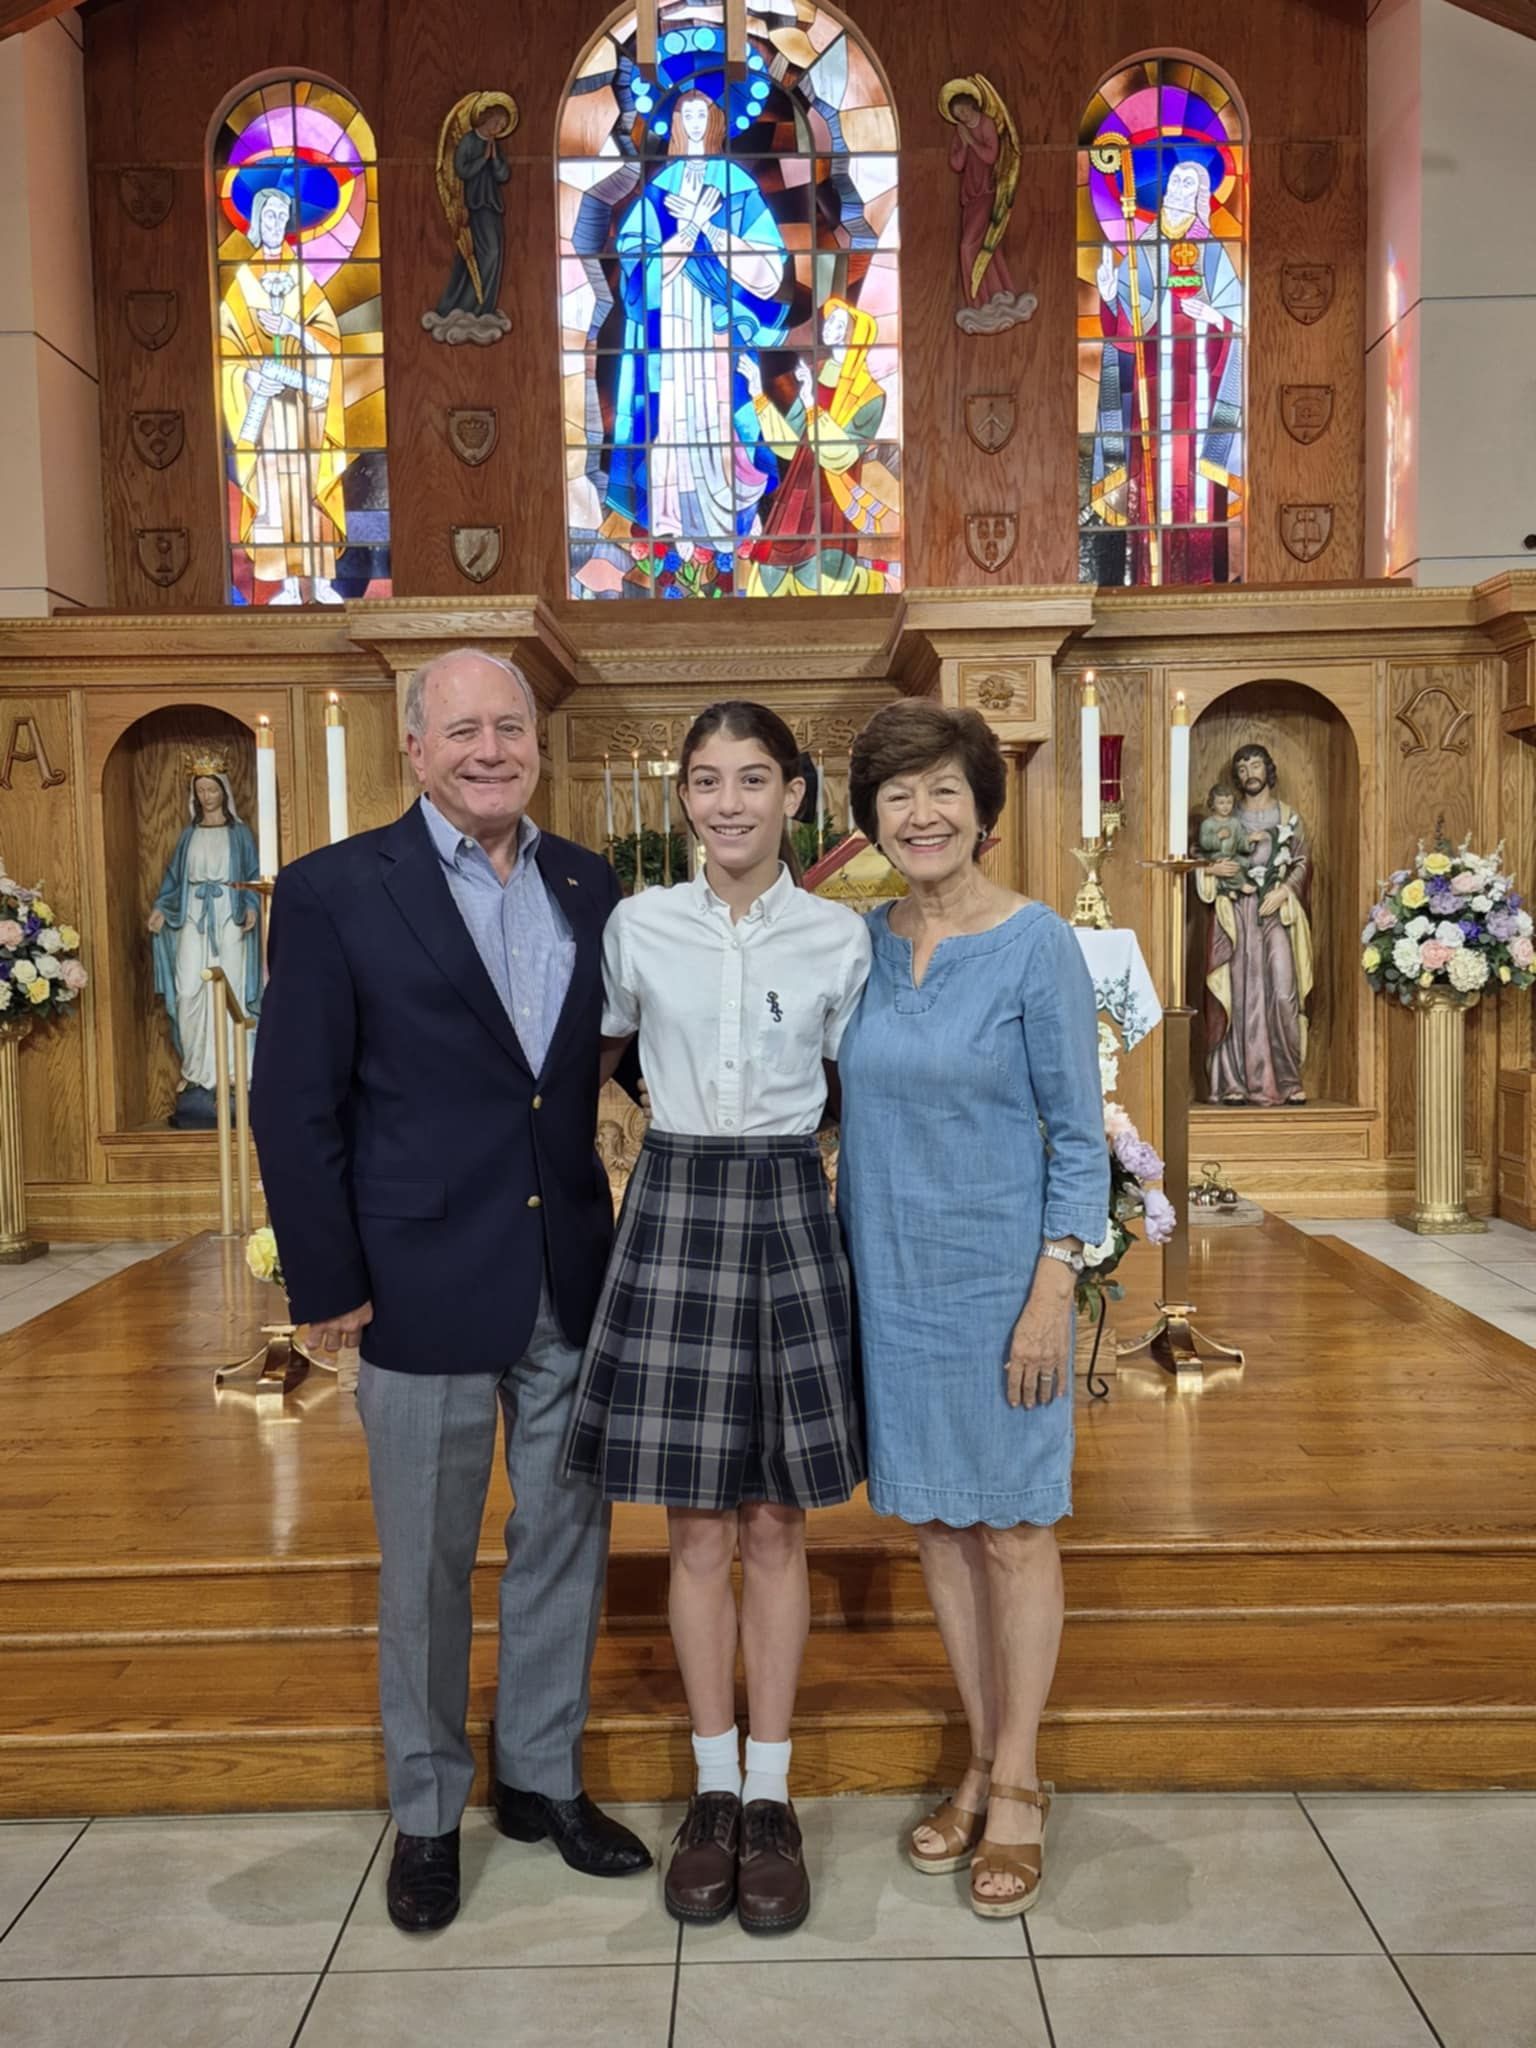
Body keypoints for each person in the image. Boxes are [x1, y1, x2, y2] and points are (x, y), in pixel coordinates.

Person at [250, 648, 651, 1935]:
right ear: (414, 747)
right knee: (426, 1559)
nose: (491, 749)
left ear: (537, 742)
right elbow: (293, 1100)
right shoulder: (333, 889)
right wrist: (328, 1282)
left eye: (510, 727)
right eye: (463, 729)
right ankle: (427, 1811)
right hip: (415, 1275)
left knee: (566, 1535)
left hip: (568, 1266)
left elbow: (614, 1061)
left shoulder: (588, 880)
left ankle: (540, 1776)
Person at [563, 700, 870, 1936]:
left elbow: (862, 1091)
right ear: (682, 796)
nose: (728, 801)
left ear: (795, 794)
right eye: (706, 779)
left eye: (753, 778)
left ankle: (773, 1794)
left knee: (776, 1520)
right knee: (695, 1526)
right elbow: (585, 1071)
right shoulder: (638, 925)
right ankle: (712, 1785)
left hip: (789, 1201)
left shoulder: (841, 936)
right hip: (677, 1200)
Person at [836, 701, 1109, 1920]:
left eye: (944, 788)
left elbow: (1078, 1132)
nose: (922, 813)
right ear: (870, 818)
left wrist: (1053, 1288)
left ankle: (1019, 1781)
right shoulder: (863, 942)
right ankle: (983, 1755)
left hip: (1003, 1282)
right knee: (940, 1527)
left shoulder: (1036, 942)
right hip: (892, 1280)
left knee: (1013, 1530)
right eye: (897, 794)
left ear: (982, 808)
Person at [605, 88, 788, 548]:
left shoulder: (736, 184)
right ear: (674, 123)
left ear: (716, 121)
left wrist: (708, 225)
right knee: (672, 410)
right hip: (669, 319)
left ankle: (726, 511)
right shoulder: (660, 188)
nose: (693, 122)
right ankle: (671, 513)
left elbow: (769, 273)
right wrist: (688, 230)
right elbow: (638, 271)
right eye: (684, 114)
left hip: (716, 319)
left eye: (701, 113)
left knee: (718, 406)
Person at [1090, 156, 1244, 584]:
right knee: (1151, 477)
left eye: (1188, 184)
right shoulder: (1143, 249)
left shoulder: (1211, 251)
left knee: (1197, 479)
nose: (1178, 189)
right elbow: (1125, 334)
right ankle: (1145, 578)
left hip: (1200, 385)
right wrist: (1110, 295)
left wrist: (1214, 318)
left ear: (1201, 197)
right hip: (1153, 387)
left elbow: (1236, 319)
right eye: (1174, 181)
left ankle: (1201, 580)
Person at [217, 184, 349, 605]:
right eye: (268, 215)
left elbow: (328, 339)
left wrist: (292, 330)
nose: (275, 223)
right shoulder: (241, 285)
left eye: (281, 215)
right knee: (275, 495)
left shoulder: (302, 279)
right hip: (267, 416)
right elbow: (228, 351)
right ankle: (288, 583)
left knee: (309, 490)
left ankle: (319, 579)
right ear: (256, 222)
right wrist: (251, 379)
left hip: (306, 412)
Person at [739, 296, 900, 597]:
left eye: (839, 322)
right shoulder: (813, 374)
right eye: (830, 320)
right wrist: (758, 396)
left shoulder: (870, 396)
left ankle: (872, 586)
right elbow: (792, 442)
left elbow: (842, 457)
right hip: (797, 486)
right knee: (771, 576)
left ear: (855, 334)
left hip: (832, 494)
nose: (829, 326)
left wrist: (812, 406)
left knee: (820, 580)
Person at [1196, 741, 1313, 1106]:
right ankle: (1233, 1081)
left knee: (1282, 990)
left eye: (1256, 765)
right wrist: (1212, 869)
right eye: (1243, 768)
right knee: (1238, 993)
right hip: (1235, 914)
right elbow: (1200, 856)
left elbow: (1302, 862)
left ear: (1268, 769)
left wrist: (1286, 891)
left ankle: (1287, 1079)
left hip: (1275, 911)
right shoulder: (1225, 817)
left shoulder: (1288, 816)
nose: (1250, 774)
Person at [148, 764, 262, 1127]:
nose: (207, 796)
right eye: (201, 790)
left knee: (230, 993)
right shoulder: (189, 834)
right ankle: (197, 1071)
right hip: (193, 918)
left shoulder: (239, 834)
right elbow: (173, 880)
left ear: (223, 792)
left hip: (229, 918)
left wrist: (251, 906)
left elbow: (254, 876)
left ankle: (236, 1074)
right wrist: (162, 909)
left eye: (212, 789)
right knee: (188, 991)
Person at [1197, 781, 1255, 898]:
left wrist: (1249, 840)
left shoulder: (1235, 823)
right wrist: (1218, 837)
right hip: (1215, 856)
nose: (1226, 806)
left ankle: (1228, 888)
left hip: (1232, 854)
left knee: (1245, 863)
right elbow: (1204, 843)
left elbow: (1240, 842)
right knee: (1230, 868)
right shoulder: (1208, 824)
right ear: (1212, 804)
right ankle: (1241, 886)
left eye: (1229, 802)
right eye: (1221, 803)